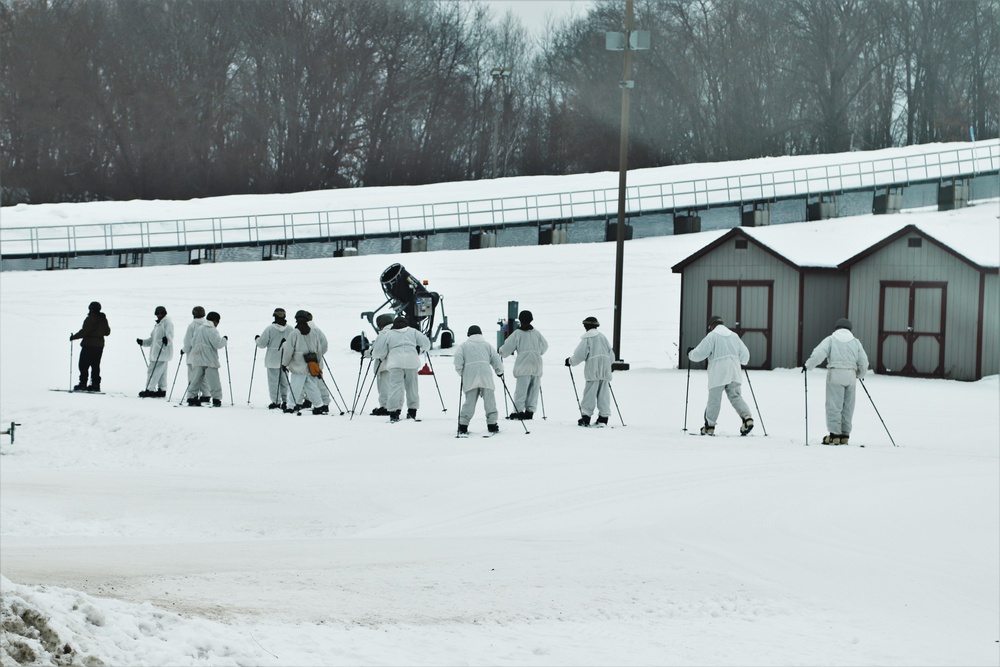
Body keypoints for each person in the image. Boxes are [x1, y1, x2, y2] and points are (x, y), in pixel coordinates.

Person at [803, 318, 870, 445]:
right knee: (848, 406)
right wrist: (860, 374)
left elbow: (818, 354)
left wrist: (808, 366)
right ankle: (845, 434)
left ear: (836, 328)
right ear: (850, 329)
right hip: (850, 376)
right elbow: (864, 361)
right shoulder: (856, 342)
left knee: (834, 405)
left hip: (835, 375)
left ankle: (834, 435)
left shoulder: (831, 340)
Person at [687, 315, 753, 436]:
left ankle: (709, 427)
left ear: (711, 326)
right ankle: (747, 418)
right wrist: (741, 361)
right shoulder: (734, 336)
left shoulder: (712, 336)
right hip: (734, 371)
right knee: (736, 396)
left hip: (718, 373)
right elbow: (745, 356)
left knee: (714, 399)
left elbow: (699, 354)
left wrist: (690, 354)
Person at [371, 316, 430, 422]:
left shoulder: (388, 334)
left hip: (395, 363)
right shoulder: (413, 331)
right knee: (412, 388)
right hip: (412, 362)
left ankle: (394, 413)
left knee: (395, 388)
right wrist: (421, 350)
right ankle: (412, 411)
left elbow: (378, 352)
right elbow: (426, 343)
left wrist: (376, 355)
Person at [454, 325, 505, 436]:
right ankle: (492, 424)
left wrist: (461, 372)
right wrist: (499, 371)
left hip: (470, 377)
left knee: (469, 403)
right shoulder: (487, 345)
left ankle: (463, 425)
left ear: (469, 334)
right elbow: (496, 359)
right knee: (490, 402)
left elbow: (458, 359)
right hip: (486, 376)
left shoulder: (463, 346)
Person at [499, 309, 548, 420]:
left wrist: (501, 351)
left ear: (520, 320)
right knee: (534, 389)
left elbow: (507, 347)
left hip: (523, 364)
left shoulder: (517, 333)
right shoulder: (537, 333)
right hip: (536, 364)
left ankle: (518, 411)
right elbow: (545, 346)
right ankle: (530, 412)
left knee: (521, 390)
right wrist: (537, 352)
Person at [566, 316, 613, 427]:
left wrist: (570, 361)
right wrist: (607, 365)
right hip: (605, 370)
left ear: (587, 326)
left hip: (593, 371)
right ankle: (603, 418)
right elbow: (611, 355)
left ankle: (586, 417)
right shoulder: (603, 337)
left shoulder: (587, 339)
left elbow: (580, 354)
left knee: (589, 394)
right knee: (604, 395)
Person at [280, 310, 328, 415]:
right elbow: (318, 351)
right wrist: (319, 365)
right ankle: (318, 406)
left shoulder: (294, 333)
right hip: (311, 365)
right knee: (311, 387)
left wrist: (284, 363)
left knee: (295, 387)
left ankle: (291, 406)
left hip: (298, 366)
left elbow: (289, 350)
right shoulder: (313, 333)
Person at [183, 311, 227, 407]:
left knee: (196, 380)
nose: (218, 324)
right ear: (215, 320)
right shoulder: (212, 330)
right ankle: (216, 399)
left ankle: (191, 397)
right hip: (210, 360)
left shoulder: (199, 329)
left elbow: (193, 342)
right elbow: (218, 344)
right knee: (214, 380)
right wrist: (224, 340)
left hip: (198, 359)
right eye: (218, 321)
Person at [70, 301, 111, 391]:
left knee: (83, 365)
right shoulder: (103, 319)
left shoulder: (90, 319)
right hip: (100, 345)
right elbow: (107, 332)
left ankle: (83, 384)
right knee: (95, 365)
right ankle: (95, 385)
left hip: (89, 345)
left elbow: (84, 332)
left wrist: (74, 337)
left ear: (91, 309)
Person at [256, 308, 290, 409]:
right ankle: (285, 401)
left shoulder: (270, 329)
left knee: (273, 382)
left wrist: (257, 339)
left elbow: (262, 344)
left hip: (272, 359)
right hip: (285, 359)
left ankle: (276, 402)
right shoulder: (290, 329)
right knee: (285, 382)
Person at [136, 305, 173, 397]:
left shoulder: (167, 322)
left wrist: (167, 340)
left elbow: (170, 335)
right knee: (162, 373)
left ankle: (149, 389)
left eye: (161, 313)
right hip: (156, 353)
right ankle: (162, 389)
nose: (159, 315)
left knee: (154, 372)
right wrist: (143, 342)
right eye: (158, 313)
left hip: (162, 352)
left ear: (164, 313)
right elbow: (152, 339)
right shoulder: (157, 325)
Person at [367, 313, 395, 416]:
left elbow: (378, 351)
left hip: (385, 365)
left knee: (384, 387)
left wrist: (368, 354)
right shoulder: (398, 332)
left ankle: (385, 407)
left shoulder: (384, 334)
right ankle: (394, 407)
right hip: (398, 364)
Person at [181, 306, 210, 403]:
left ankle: (193, 395)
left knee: (193, 376)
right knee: (203, 376)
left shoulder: (192, 325)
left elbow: (188, 341)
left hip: (193, 356)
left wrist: (184, 350)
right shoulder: (207, 325)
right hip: (205, 356)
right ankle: (206, 394)